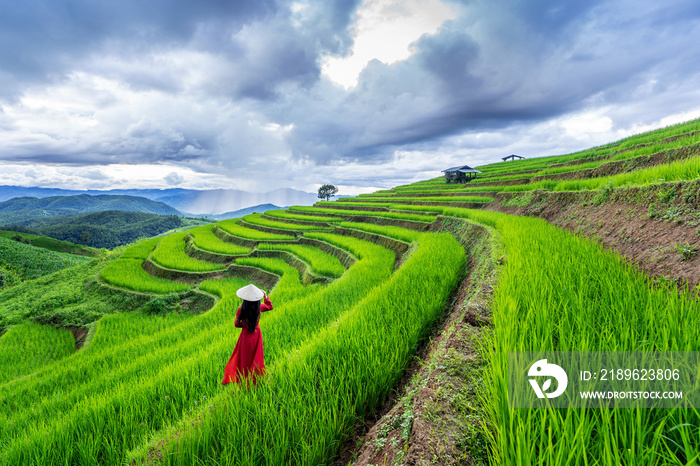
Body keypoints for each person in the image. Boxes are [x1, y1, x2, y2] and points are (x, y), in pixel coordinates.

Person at [222, 284, 273, 385]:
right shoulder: (259, 307)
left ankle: (244, 381)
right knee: (256, 357)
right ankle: (256, 379)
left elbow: (236, 324)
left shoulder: (241, 309)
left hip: (246, 336)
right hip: (256, 334)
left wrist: (245, 325)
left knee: (245, 359)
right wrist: (266, 296)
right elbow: (269, 307)